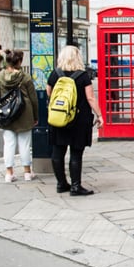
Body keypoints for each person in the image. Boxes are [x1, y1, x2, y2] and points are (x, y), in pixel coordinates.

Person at [46, 45, 103, 196]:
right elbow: (90, 98)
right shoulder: (82, 76)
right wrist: (100, 115)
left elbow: (49, 94)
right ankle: (76, 186)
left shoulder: (55, 74)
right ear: (77, 57)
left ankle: (61, 184)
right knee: (76, 153)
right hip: (79, 119)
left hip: (59, 117)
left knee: (57, 152)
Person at [0, 49, 38, 183]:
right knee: (25, 144)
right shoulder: (25, 77)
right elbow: (33, 99)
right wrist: (35, 116)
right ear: (20, 62)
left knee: (9, 144)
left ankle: (9, 173)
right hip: (25, 112)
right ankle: (27, 173)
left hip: (7, 114)